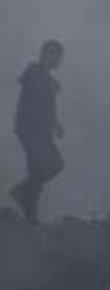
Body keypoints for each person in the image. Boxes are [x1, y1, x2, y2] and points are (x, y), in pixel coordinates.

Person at [9, 40, 65, 224]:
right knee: (45, 167)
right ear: (46, 54)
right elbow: (37, 99)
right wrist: (50, 85)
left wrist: (56, 124)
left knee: (44, 168)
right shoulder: (34, 73)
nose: (58, 61)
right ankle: (25, 202)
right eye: (56, 56)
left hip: (39, 131)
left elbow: (47, 105)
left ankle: (26, 201)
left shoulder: (43, 76)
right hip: (31, 130)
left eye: (59, 57)